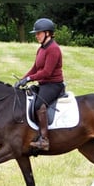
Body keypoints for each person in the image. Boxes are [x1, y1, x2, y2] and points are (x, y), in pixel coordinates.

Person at [15, 18, 65, 151]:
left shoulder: (54, 49)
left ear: (48, 33)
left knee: (38, 105)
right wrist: (23, 79)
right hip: (44, 84)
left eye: (39, 33)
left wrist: (30, 78)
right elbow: (35, 68)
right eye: (36, 33)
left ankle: (44, 140)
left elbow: (47, 72)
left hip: (54, 85)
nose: (36, 36)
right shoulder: (41, 49)